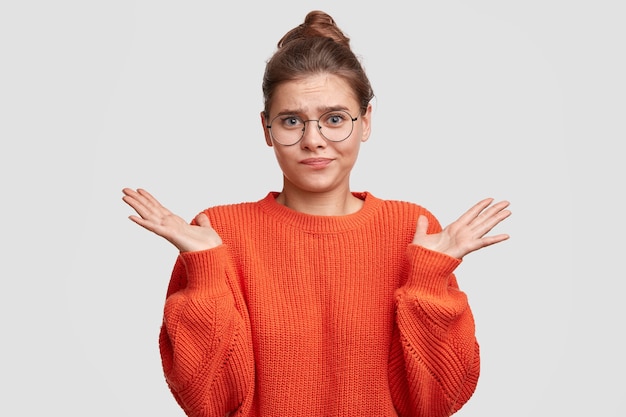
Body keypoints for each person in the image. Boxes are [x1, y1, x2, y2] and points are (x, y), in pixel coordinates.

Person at [122, 10, 511, 417]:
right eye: (291, 121)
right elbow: (210, 404)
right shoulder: (216, 234)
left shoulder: (412, 230)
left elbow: (437, 402)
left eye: (335, 119)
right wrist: (205, 271)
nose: (313, 140)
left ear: (366, 122)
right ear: (266, 129)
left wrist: (429, 278)